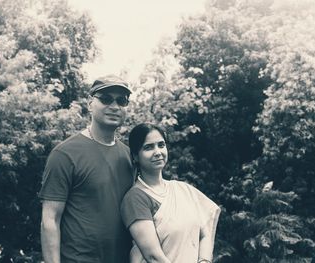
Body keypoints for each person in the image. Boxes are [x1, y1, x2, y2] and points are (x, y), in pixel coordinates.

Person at [39, 74, 134, 263]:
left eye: (121, 101)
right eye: (106, 99)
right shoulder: (65, 154)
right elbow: (49, 220)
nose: (114, 106)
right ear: (90, 103)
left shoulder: (130, 156)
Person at [121, 123, 221, 263]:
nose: (157, 152)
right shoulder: (135, 198)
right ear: (135, 157)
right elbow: (153, 256)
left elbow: (205, 232)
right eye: (148, 147)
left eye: (161, 145)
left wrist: (204, 260)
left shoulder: (183, 190)